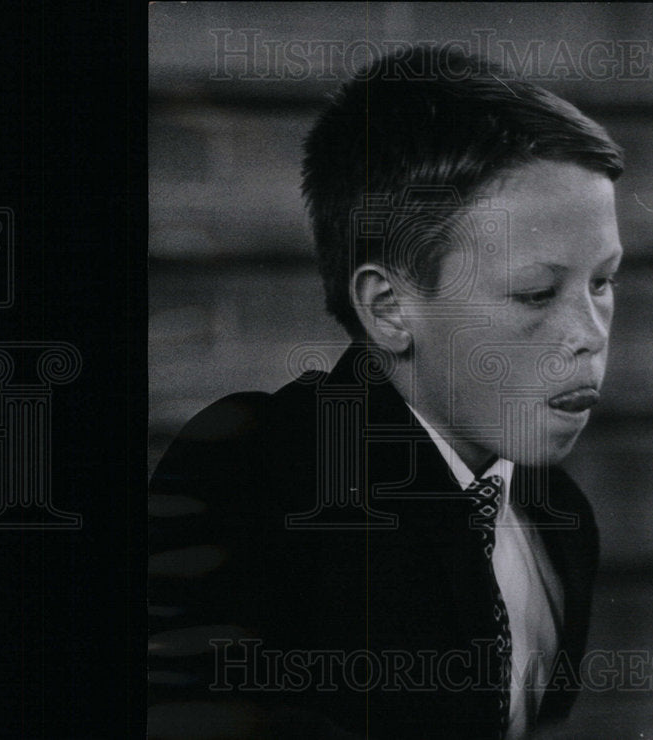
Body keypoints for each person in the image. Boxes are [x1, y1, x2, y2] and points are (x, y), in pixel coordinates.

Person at [148, 45, 624, 740]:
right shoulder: (259, 471)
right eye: (536, 292)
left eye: (604, 282)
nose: (589, 333)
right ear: (390, 308)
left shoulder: (561, 521)